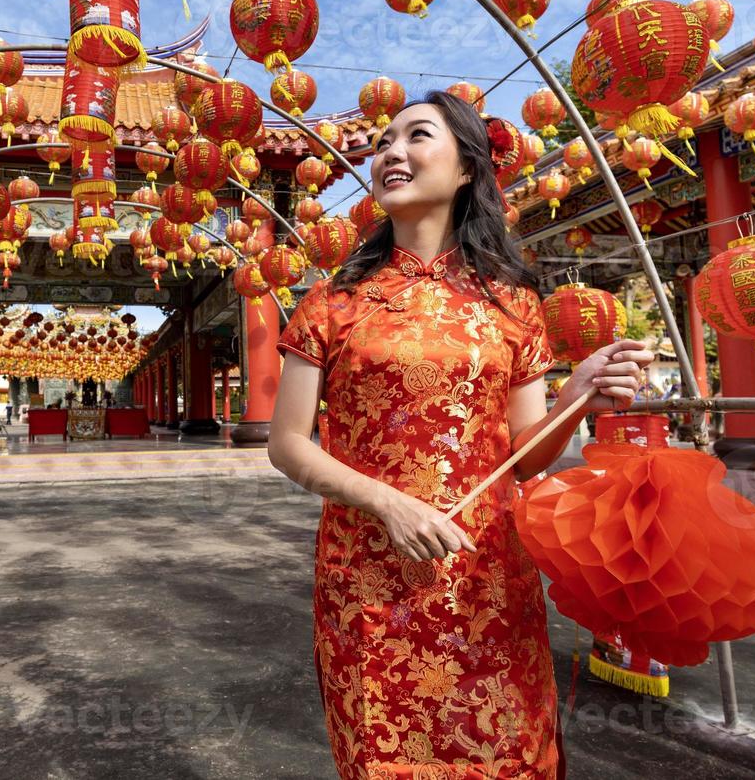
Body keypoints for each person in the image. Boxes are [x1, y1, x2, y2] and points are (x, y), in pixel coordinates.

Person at [268, 91, 654, 779]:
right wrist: (387, 502)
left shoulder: (510, 302)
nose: (390, 152)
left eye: (416, 136)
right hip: (368, 581)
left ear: (468, 169)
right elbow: (288, 443)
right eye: (383, 141)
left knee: (507, 754)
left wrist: (576, 396)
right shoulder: (335, 300)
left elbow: (526, 459)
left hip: (486, 579)